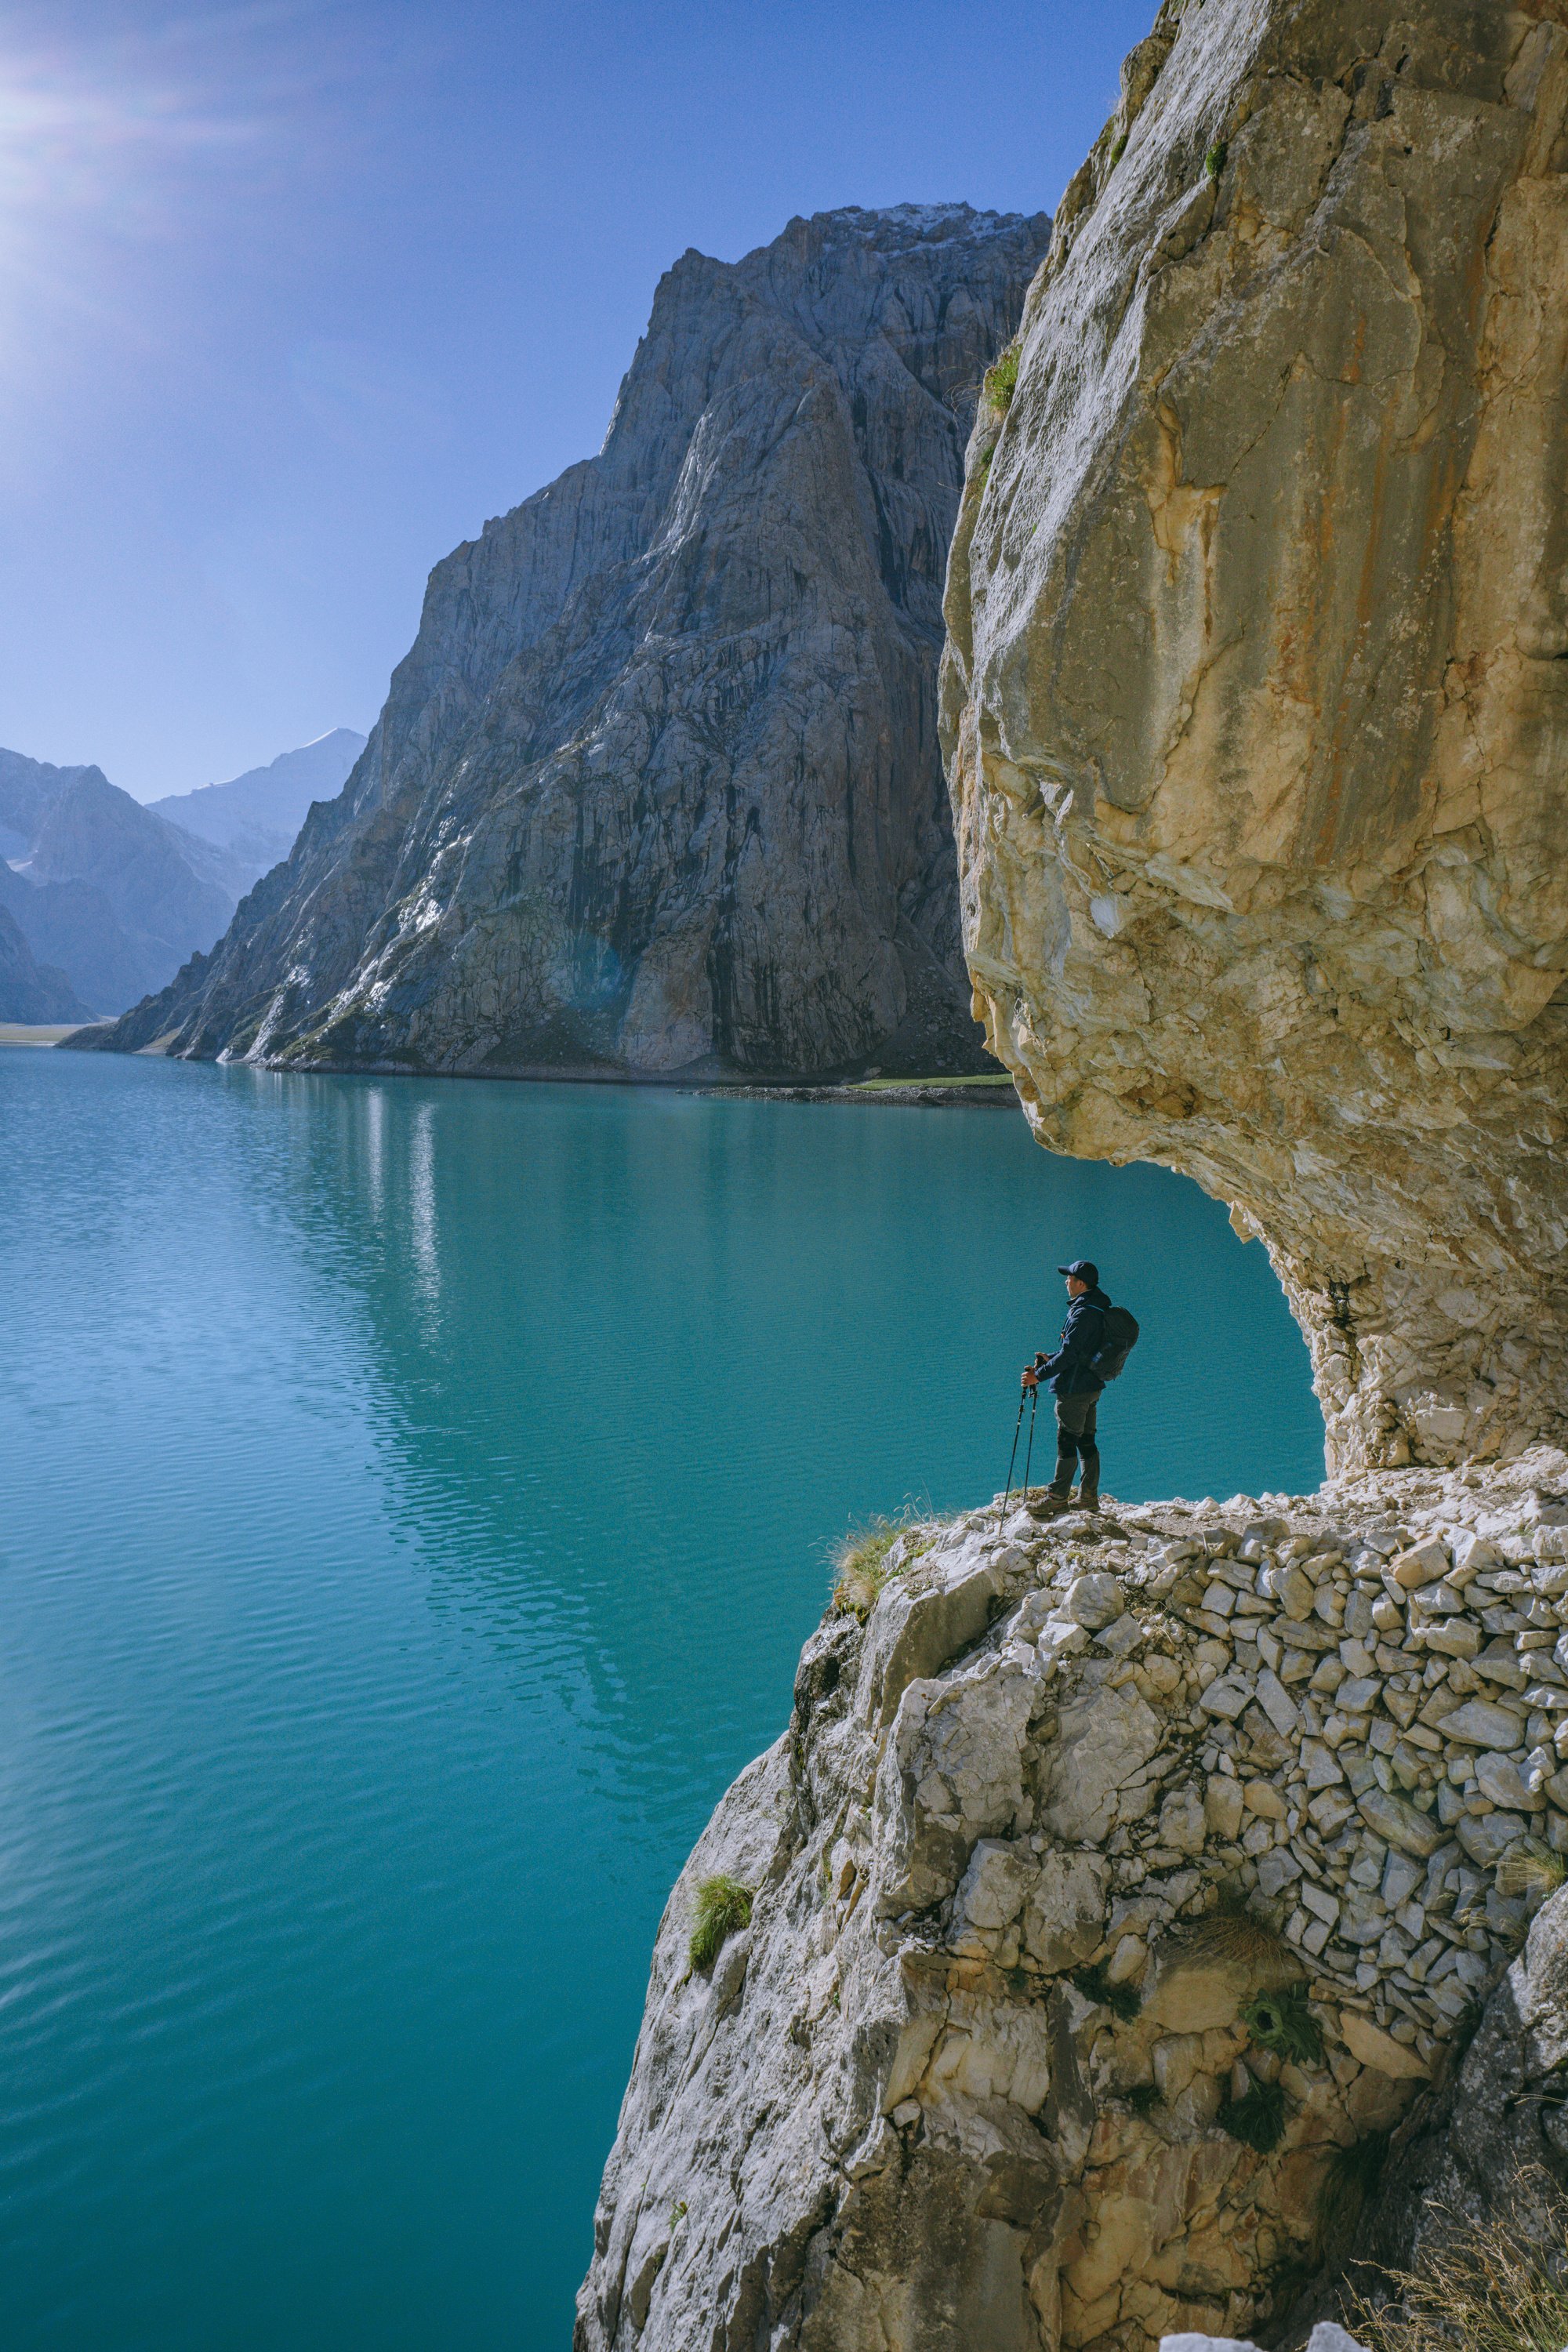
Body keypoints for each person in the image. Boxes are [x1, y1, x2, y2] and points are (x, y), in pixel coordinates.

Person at [1023, 1259, 1112, 1511]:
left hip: (1075, 1390)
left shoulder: (1083, 1313)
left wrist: (1038, 1376)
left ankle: (1057, 1499)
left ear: (1080, 1283)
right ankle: (1088, 1498)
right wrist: (1050, 1359)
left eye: (1070, 1278)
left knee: (1066, 1440)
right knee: (1086, 1441)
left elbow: (1071, 1354)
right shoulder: (1096, 1306)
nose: (1066, 1281)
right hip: (1092, 1384)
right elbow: (1077, 1351)